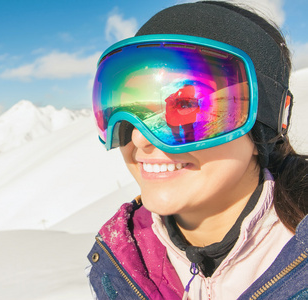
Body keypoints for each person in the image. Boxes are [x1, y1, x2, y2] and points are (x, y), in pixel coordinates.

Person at [87, 1, 308, 299]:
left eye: (189, 107)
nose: (139, 138)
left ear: (263, 129)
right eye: (127, 108)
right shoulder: (121, 260)